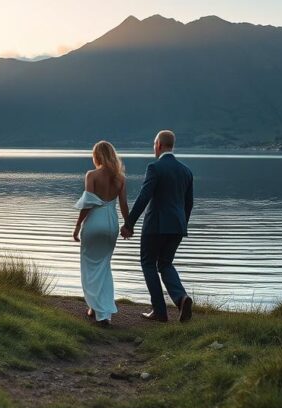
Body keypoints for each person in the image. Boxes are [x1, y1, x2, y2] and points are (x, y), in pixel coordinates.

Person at [120, 130, 195, 322]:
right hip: (177, 227)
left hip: (156, 226)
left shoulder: (155, 167)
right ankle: (181, 298)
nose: (154, 148)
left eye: (154, 144)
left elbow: (144, 197)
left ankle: (160, 311)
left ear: (159, 145)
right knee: (165, 263)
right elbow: (189, 204)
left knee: (148, 263)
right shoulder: (186, 171)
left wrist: (129, 223)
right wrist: (181, 225)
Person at [73, 141, 129, 327]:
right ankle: (102, 311)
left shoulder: (92, 175)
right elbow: (123, 205)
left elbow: (88, 204)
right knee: (104, 266)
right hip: (111, 223)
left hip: (95, 222)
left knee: (89, 266)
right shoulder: (120, 178)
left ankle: (96, 307)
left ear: (96, 156)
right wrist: (128, 226)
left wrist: (77, 226)